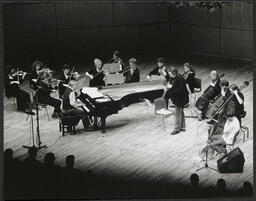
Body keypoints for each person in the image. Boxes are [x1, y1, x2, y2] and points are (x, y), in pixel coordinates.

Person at [165, 68, 189, 135]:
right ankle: (182, 127)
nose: (169, 75)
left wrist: (171, 87)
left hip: (181, 99)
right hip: (179, 98)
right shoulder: (174, 78)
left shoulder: (180, 79)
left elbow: (180, 91)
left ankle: (177, 129)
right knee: (180, 112)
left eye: (170, 74)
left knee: (178, 113)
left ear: (174, 73)